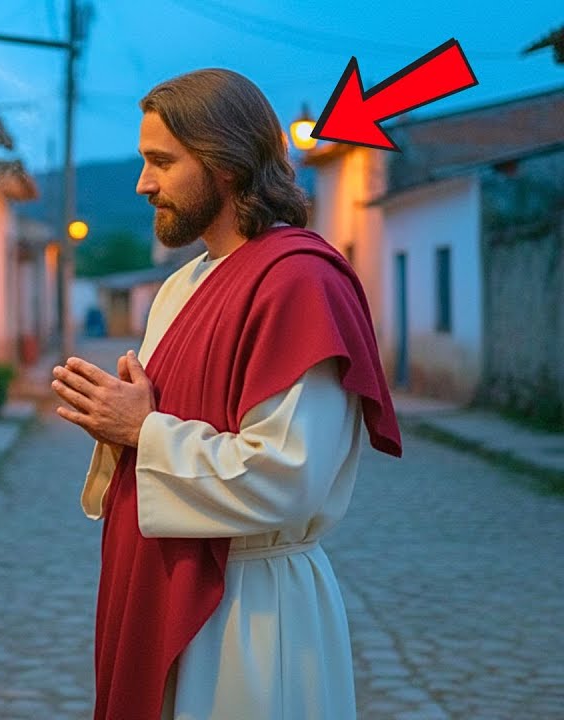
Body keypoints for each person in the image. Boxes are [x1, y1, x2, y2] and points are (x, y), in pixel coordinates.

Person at [50, 69, 402, 720]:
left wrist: (144, 433)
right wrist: (118, 423)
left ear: (227, 165)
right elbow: (161, 423)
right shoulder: (182, 284)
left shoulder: (299, 284)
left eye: (161, 161)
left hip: (252, 607)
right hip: (165, 583)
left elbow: (286, 476)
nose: (142, 183)